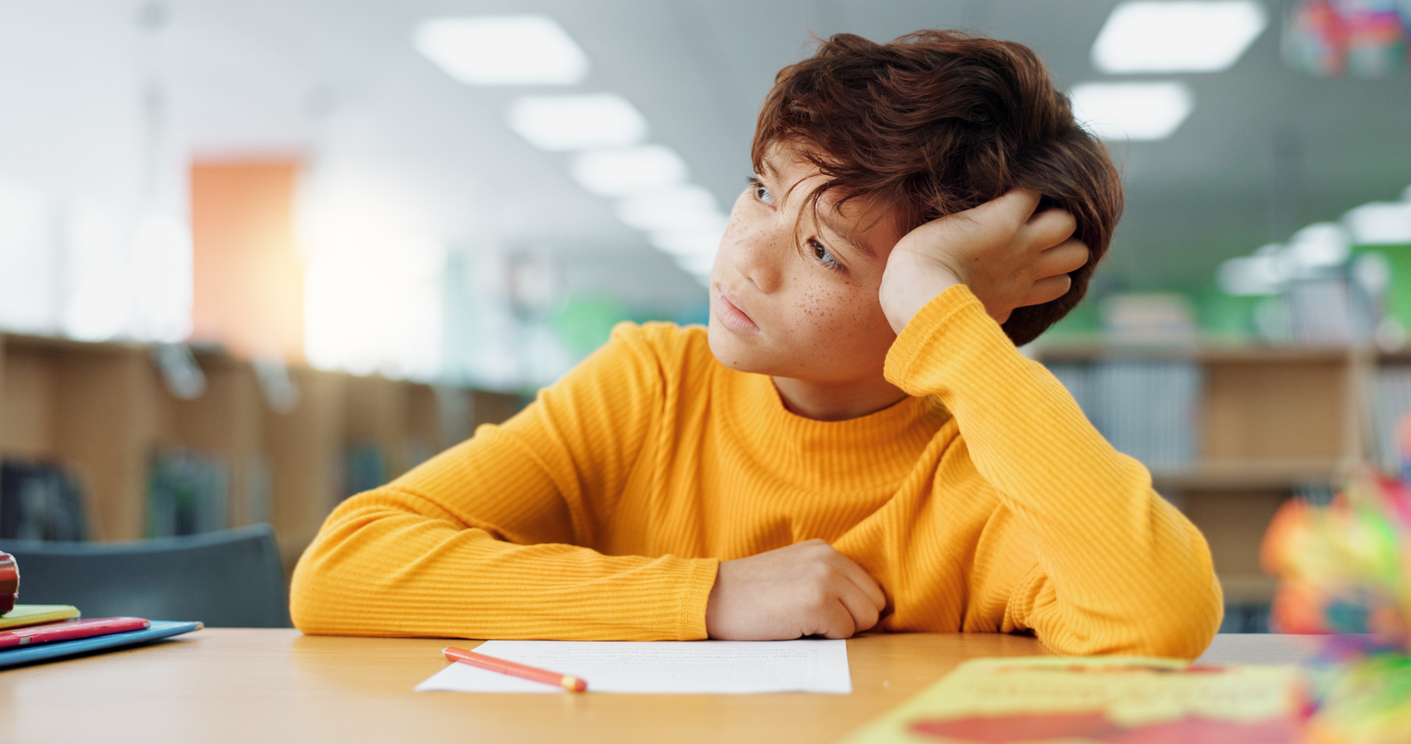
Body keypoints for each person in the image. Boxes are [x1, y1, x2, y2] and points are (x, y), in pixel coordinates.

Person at [290, 30, 1222, 657]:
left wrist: (939, 308)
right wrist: (708, 599)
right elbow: (342, 571)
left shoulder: (982, 469)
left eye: (825, 252)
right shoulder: (653, 382)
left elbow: (1156, 616)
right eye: (763, 190)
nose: (747, 255)